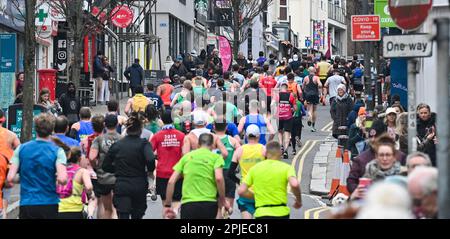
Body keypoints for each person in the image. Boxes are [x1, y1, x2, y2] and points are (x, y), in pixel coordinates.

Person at [7, 113, 68, 219]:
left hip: (27, 203)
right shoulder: (58, 151)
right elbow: (62, 179)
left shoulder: (21, 149)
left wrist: (24, 177)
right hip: (49, 203)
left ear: (35, 129)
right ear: (52, 129)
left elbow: (10, 178)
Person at [164, 133, 230, 219]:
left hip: (188, 204)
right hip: (209, 203)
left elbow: (171, 181)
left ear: (198, 144)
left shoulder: (186, 157)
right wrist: (223, 200)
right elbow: (219, 178)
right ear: (213, 145)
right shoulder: (216, 158)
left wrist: (168, 205)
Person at [103, 113, 156, 219]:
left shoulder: (117, 145)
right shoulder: (143, 144)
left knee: (123, 214)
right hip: (139, 183)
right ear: (140, 129)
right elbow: (150, 159)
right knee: (137, 214)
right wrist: (149, 170)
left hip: (122, 183)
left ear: (126, 129)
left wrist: (117, 169)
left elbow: (105, 165)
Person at [237, 141, 302, 219]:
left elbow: (241, 191)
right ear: (280, 153)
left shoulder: (255, 168)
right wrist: (298, 200)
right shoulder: (287, 168)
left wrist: (256, 196)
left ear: (265, 154)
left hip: (262, 213)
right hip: (281, 212)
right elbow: (295, 184)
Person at [347, 120, 407, 194]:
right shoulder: (361, 159)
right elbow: (351, 181)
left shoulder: (400, 157)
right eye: (371, 137)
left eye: (376, 137)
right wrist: (358, 191)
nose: (373, 140)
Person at [150, 111, 185, 217]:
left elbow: (149, 153)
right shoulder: (181, 136)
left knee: (165, 204)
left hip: (162, 173)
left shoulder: (157, 136)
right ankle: (174, 212)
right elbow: (185, 154)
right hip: (178, 174)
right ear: (173, 120)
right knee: (176, 201)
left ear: (162, 120)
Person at [350, 134, 405, 200]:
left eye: (388, 155)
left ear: (393, 156)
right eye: (381, 155)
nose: (385, 158)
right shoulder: (368, 174)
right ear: (376, 156)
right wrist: (353, 197)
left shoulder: (402, 175)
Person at [228, 125, 266, 219]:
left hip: (245, 192)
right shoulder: (264, 149)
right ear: (258, 136)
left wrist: (240, 183)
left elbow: (230, 173)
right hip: (261, 191)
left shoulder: (240, 150)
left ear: (246, 136)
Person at [89, 115, 122, 219]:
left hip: (104, 178)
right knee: (117, 208)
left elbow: (92, 157)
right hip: (119, 178)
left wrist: (96, 167)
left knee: (107, 209)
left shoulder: (99, 139)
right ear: (117, 124)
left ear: (104, 125)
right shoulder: (122, 139)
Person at [58, 147, 94, 219]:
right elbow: (89, 187)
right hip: (75, 210)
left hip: (58, 209)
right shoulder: (82, 171)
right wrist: (90, 194)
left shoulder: (60, 170)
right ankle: (90, 215)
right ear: (80, 158)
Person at [214, 121, 240, 217]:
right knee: (228, 203)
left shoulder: (210, 139)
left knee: (217, 204)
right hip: (228, 172)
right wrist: (236, 165)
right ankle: (225, 216)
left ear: (213, 126)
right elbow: (241, 152)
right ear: (226, 127)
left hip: (214, 172)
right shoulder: (232, 140)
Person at [0, 110, 20, 219]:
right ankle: (4, 214)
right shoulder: (10, 135)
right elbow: (20, 149)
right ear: (3, 119)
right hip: (5, 167)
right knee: (5, 192)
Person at [272, 82, 297, 159]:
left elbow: (272, 105)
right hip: (288, 116)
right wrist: (292, 109)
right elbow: (295, 108)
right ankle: (285, 150)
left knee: (279, 132)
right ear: (287, 88)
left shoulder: (277, 96)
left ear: (280, 88)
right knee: (287, 133)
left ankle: (281, 146)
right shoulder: (291, 96)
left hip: (279, 116)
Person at [302, 67, 323, 132]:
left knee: (309, 109)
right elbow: (320, 84)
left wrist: (305, 90)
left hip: (308, 94)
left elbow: (303, 87)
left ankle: (309, 116)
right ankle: (313, 127)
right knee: (314, 110)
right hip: (315, 94)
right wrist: (320, 93)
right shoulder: (316, 78)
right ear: (314, 71)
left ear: (308, 71)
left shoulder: (306, 78)